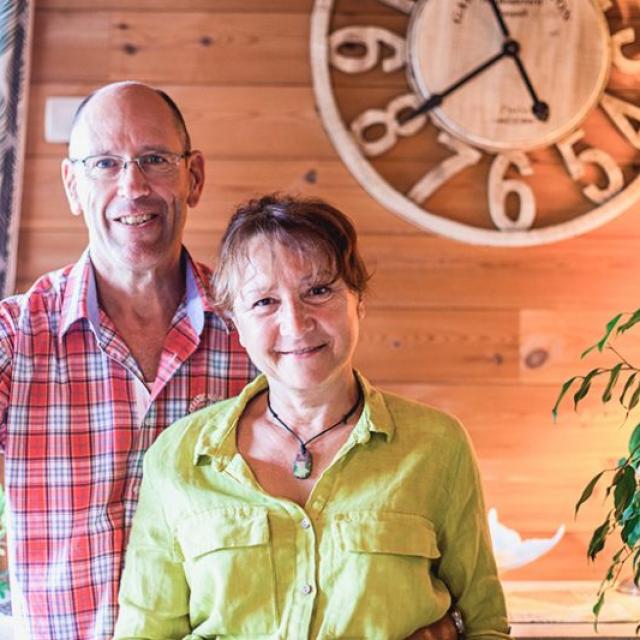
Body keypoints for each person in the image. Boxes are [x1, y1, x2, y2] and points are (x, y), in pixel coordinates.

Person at [114, 195, 512, 640]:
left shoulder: (437, 446)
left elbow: (485, 624)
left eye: (318, 291)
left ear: (358, 301)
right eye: (264, 301)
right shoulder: (178, 456)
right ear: (236, 325)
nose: (296, 323)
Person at [0, 82, 255, 639]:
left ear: (195, 178)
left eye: (154, 160)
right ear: (73, 185)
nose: (132, 186)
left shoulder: (254, 330)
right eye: (105, 163)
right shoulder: (16, 338)